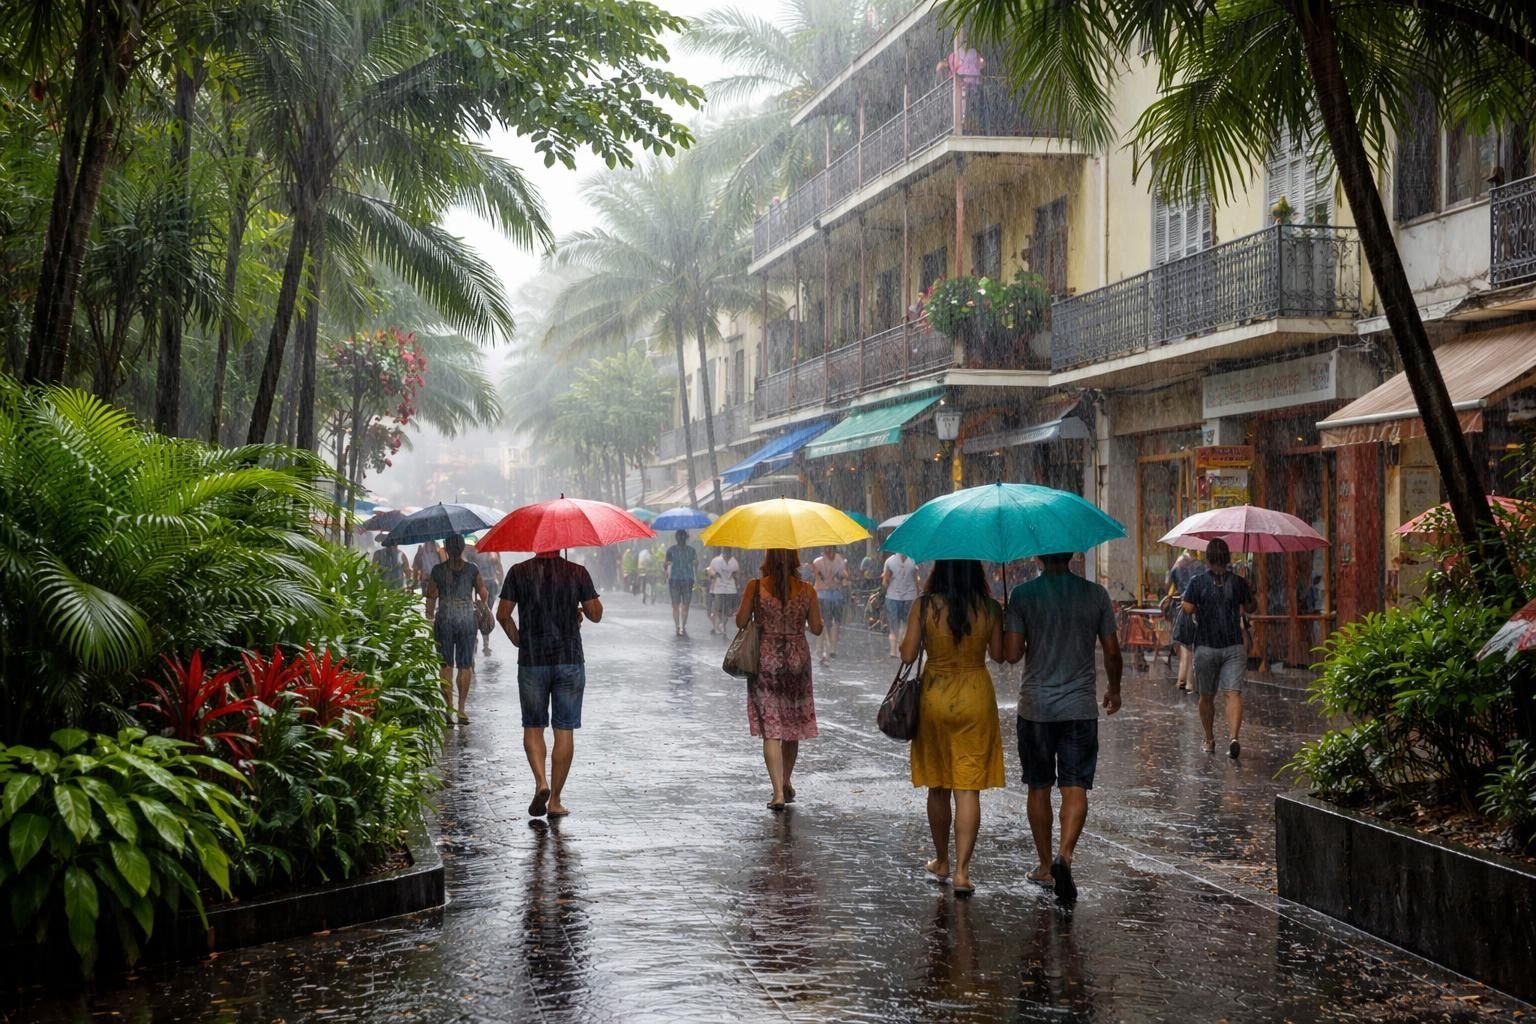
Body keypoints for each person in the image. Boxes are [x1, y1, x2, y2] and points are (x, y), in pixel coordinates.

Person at [1004, 551, 1123, 904]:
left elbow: (1011, 655)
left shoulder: (1023, 595)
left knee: (1038, 787)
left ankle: (1044, 865)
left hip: (1036, 709)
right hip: (1079, 708)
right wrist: (1115, 688)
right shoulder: (1095, 595)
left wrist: (1011, 620)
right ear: (1072, 555)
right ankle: (1065, 856)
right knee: (1075, 787)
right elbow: (1113, 652)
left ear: (1039, 556)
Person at [901, 560, 1005, 899]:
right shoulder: (989, 607)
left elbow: (906, 654)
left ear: (939, 570)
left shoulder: (925, 605)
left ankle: (942, 860)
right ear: (975, 571)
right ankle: (962, 871)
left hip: (934, 696)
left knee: (938, 784)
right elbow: (1001, 655)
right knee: (968, 787)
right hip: (976, 695)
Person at [497, 550, 603, 819]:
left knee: (533, 726)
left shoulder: (519, 572)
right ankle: (555, 800)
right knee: (564, 729)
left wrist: (519, 640)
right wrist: (577, 608)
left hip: (533, 661)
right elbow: (596, 614)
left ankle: (541, 782)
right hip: (569, 659)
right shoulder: (577, 572)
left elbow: (502, 614)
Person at [735, 548, 823, 811]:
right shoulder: (807, 590)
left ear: (768, 558)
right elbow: (817, 628)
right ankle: (786, 780)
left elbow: (740, 622)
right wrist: (798, 622)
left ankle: (777, 793)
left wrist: (759, 615)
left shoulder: (755, 586)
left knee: (771, 727)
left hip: (766, 659)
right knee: (792, 724)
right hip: (797, 661)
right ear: (796, 559)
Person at [1181, 538, 1257, 758]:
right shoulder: (1238, 582)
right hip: (1234, 646)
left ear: (1208, 558)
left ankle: (1209, 739)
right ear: (1228, 558)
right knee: (1233, 693)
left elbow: (1187, 608)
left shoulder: (1197, 582)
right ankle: (1233, 737)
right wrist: (1248, 590)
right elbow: (1252, 607)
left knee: (1206, 696)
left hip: (1206, 647)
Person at [423, 533, 489, 725]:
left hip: (444, 618)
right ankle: (461, 710)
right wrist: (481, 600)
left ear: (446, 547)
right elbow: (482, 594)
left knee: (445, 664)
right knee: (465, 664)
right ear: (462, 548)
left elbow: (430, 595)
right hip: (467, 619)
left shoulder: (437, 570)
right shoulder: (472, 569)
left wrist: (429, 614)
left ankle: (448, 708)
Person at [1164, 552, 1200, 691]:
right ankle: (1185, 681)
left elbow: (1168, 585)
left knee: (1186, 649)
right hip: (1194, 613)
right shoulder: (1197, 571)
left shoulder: (1177, 568)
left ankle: (1183, 681)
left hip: (1183, 612)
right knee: (1188, 649)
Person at [811, 546, 849, 663]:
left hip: (833, 596)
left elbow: (844, 576)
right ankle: (823, 648)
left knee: (834, 622)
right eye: (827, 549)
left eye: (830, 549)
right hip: (823, 595)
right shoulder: (818, 562)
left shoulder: (839, 560)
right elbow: (817, 578)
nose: (828, 552)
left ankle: (830, 648)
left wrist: (840, 579)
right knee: (825, 622)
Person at [883, 551, 921, 659]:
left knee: (893, 626)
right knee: (905, 625)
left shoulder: (889, 561)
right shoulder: (913, 561)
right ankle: (901, 648)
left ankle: (893, 651)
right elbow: (917, 580)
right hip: (909, 597)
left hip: (893, 597)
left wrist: (887, 579)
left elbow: (885, 583)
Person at [665, 529, 698, 636]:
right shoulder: (691, 550)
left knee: (678, 604)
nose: (681, 538)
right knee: (683, 604)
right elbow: (695, 565)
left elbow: (666, 565)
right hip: (685, 579)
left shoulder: (671, 550)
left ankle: (679, 626)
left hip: (677, 579)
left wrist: (666, 570)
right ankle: (681, 626)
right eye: (680, 536)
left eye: (682, 536)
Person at [706, 547, 741, 636]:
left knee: (727, 609)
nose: (727, 552)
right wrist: (714, 574)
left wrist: (737, 585)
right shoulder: (716, 560)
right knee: (718, 607)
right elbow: (710, 571)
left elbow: (737, 574)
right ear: (723, 551)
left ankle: (723, 625)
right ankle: (716, 626)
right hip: (718, 587)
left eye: (729, 550)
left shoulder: (734, 562)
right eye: (726, 550)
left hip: (730, 588)